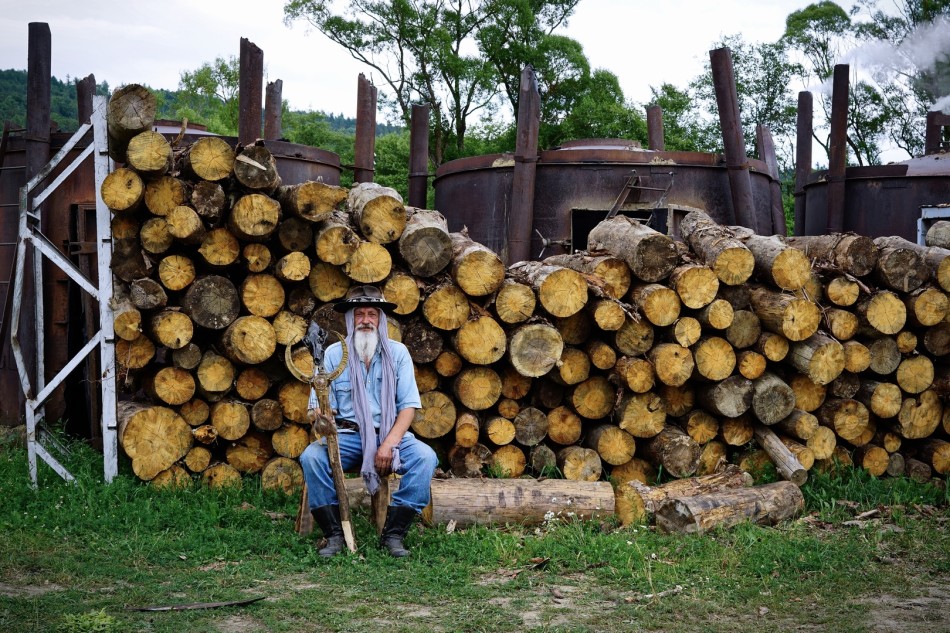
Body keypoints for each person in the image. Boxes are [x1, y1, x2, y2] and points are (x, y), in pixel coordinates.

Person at [299, 285, 438, 558]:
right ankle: (335, 535)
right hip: (347, 438)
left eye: (372, 314)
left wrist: (388, 444)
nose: (365, 320)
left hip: (388, 434)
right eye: (359, 314)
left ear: (380, 319)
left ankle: (393, 534)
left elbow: (408, 407)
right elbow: (315, 411)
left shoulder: (397, 354)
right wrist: (321, 421)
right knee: (311, 458)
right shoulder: (332, 355)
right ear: (350, 319)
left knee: (425, 457)